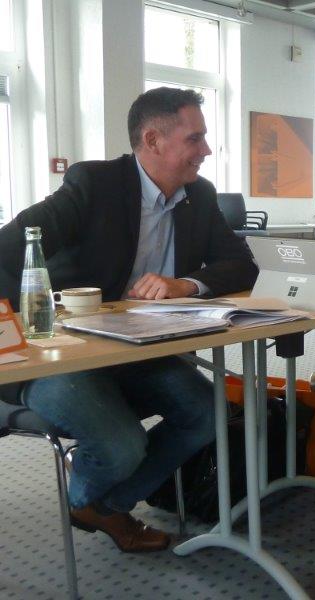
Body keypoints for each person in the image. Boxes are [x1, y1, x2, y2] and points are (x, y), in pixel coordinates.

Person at [0, 87, 258, 552]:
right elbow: (9, 247)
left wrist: (186, 284)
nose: (206, 150)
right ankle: (103, 493)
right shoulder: (94, 184)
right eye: (195, 138)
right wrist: (15, 336)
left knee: (208, 413)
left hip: (139, 350)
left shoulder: (199, 196)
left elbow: (241, 265)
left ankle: (101, 503)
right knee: (121, 445)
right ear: (153, 140)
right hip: (66, 355)